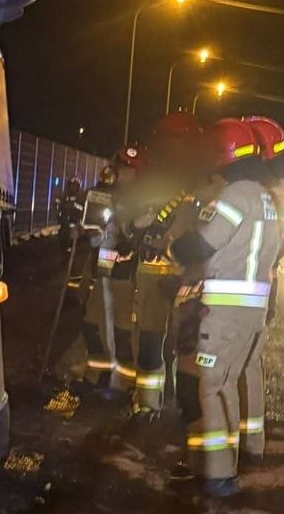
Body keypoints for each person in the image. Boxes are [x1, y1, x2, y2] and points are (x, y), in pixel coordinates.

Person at [167, 118, 283, 498]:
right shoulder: (266, 197)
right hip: (253, 309)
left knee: (212, 387)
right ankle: (229, 464)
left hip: (225, 311)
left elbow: (203, 245)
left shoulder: (235, 196)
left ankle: (218, 477)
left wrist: (174, 249)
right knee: (228, 383)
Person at [129, 111, 203, 417]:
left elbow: (137, 225)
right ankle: (177, 406)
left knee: (157, 342)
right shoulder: (201, 181)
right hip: (183, 278)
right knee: (181, 346)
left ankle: (150, 405)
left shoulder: (163, 180)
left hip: (168, 276)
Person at [237, 116, 284, 462]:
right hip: (261, 287)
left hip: (251, 290)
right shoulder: (274, 191)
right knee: (249, 363)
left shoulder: (264, 194)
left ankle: (246, 445)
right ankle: (251, 439)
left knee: (240, 364)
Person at [104, 144, 150, 393]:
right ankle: (109, 379)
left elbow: (133, 232)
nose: (119, 174)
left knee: (123, 329)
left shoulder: (141, 199)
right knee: (105, 325)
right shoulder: (113, 195)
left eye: (124, 170)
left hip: (126, 273)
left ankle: (125, 385)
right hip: (108, 272)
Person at [76, 166, 119, 388]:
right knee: (94, 320)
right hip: (100, 262)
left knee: (100, 322)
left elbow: (108, 238)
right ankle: (98, 372)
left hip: (107, 268)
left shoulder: (118, 200)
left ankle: (102, 376)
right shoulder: (96, 195)